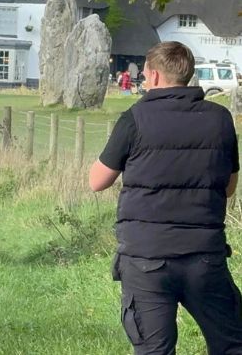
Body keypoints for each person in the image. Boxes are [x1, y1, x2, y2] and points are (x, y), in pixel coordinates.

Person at [89, 41, 242, 354]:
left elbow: (97, 182)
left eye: (145, 74)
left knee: (154, 349)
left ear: (155, 76)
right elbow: (229, 188)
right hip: (204, 257)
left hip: (147, 258)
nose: (144, 80)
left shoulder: (134, 118)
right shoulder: (220, 119)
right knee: (232, 343)